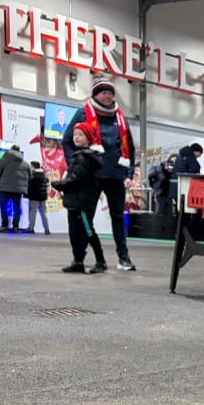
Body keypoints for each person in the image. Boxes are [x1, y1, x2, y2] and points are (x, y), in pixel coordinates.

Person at [62, 75, 138, 271]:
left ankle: (124, 258)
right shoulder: (83, 113)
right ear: (95, 94)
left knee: (118, 217)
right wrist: (74, 166)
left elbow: (129, 147)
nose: (108, 96)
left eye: (110, 93)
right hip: (91, 176)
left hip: (115, 175)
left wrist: (129, 173)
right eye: (104, 92)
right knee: (85, 218)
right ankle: (79, 259)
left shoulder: (120, 118)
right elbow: (67, 141)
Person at [51, 122, 108, 274]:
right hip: (75, 202)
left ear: (89, 138)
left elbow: (75, 179)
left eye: (81, 135)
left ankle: (100, 261)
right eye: (75, 134)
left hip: (82, 203)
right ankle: (78, 261)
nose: (76, 137)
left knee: (88, 232)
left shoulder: (85, 158)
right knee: (75, 233)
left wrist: (58, 184)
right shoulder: (80, 156)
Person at [0, 144, 30, 233]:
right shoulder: (25, 163)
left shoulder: (5, 159)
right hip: (18, 190)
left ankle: (5, 226)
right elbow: (30, 176)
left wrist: (1, 178)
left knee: (3, 206)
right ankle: (15, 227)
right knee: (16, 208)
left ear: (11, 150)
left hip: (5, 187)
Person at [24, 160, 51, 234]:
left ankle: (31, 228)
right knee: (43, 213)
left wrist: (26, 195)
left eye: (31, 166)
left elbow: (30, 187)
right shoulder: (44, 176)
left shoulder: (33, 176)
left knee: (33, 212)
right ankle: (47, 229)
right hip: (43, 197)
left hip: (34, 197)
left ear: (33, 167)